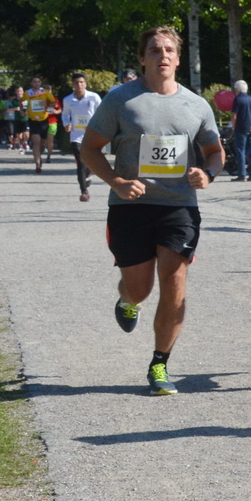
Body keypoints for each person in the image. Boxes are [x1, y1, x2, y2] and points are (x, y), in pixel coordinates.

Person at [78, 26, 224, 395]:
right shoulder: (121, 100)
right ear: (142, 58)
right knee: (140, 289)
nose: (163, 56)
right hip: (131, 207)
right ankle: (127, 298)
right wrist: (116, 182)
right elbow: (90, 148)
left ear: (178, 58)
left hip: (178, 208)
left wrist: (207, 175)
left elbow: (215, 152)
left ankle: (160, 364)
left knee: (174, 284)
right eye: (155, 51)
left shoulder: (196, 104)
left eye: (169, 50)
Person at [61, 72, 102, 201]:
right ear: (73, 84)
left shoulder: (93, 97)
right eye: (76, 82)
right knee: (80, 162)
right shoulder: (68, 100)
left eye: (81, 82)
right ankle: (84, 191)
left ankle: (89, 173)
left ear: (85, 84)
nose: (79, 85)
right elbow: (65, 114)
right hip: (76, 135)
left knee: (88, 160)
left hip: (91, 134)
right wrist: (66, 124)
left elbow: (101, 112)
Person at [26, 75, 58, 170]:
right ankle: (37, 164)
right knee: (36, 141)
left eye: (38, 82)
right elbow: (22, 102)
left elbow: (54, 103)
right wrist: (23, 111)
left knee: (43, 143)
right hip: (33, 120)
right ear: (31, 83)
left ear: (40, 83)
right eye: (34, 82)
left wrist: (47, 104)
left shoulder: (45, 92)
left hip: (44, 120)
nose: (36, 83)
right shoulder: (27, 93)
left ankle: (38, 156)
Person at [229, 80, 251, 180]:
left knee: (240, 151)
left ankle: (242, 174)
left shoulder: (237, 99)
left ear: (237, 89)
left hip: (241, 127)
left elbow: (234, 115)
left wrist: (233, 126)